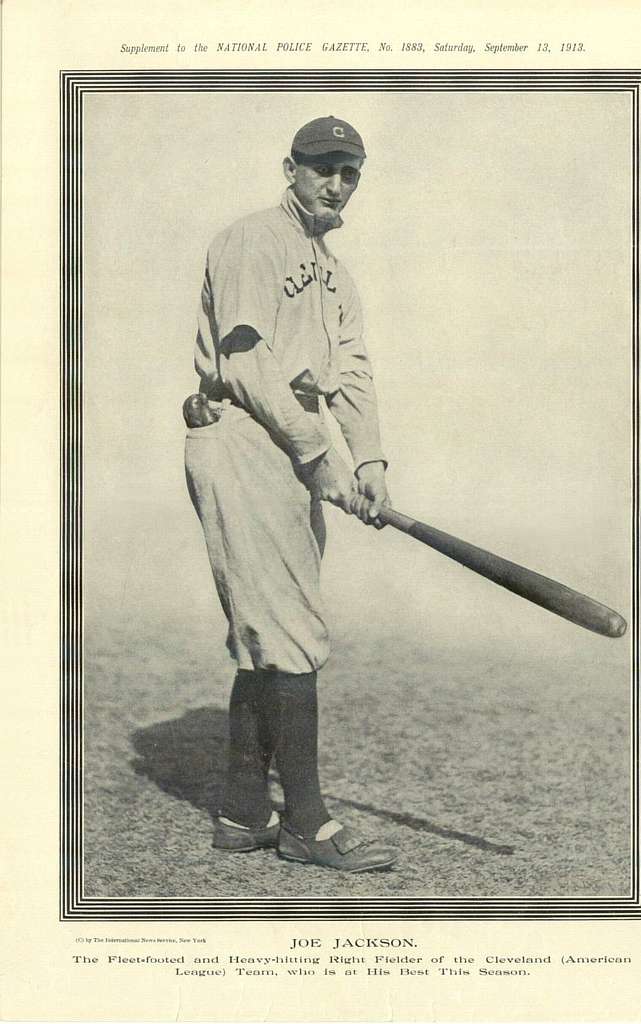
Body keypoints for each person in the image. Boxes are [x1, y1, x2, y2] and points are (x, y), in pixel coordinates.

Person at [183, 116, 397, 873]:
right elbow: (244, 361)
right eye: (323, 168)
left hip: (289, 446)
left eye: (350, 172)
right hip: (243, 434)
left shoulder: (334, 270)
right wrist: (317, 455)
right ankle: (307, 823)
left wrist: (366, 459)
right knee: (290, 631)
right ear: (292, 168)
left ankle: (244, 813)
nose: (336, 183)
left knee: (271, 633)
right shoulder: (253, 240)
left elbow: (355, 368)